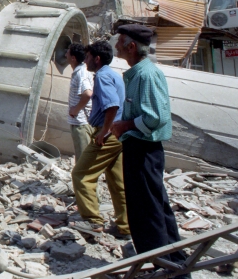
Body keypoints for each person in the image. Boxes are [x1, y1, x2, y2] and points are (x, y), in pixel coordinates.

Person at [111, 24, 190, 278]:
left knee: (148, 210)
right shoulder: (136, 73)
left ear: (131, 46)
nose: (116, 45)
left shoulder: (146, 75)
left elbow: (156, 117)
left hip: (144, 149)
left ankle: (163, 265)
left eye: (120, 41)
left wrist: (125, 125)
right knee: (152, 206)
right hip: (137, 147)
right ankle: (172, 263)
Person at [71, 40, 130, 239]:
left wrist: (103, 132)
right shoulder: (114, 75)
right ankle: (125, 226)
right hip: (118, 134)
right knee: (117, 182)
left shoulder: (103, 77)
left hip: (108, 134)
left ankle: (92, 221)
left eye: (87, 57)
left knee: (81, 174)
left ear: (97, 58)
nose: (85, 61)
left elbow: (112, 106)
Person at [65, 43, 94, 161]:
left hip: (81, 122)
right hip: (79, 121)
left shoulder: (81, 73)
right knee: (81, 158)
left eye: (68, 52)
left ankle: (84, 179)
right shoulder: (80, 71)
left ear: (73, 58)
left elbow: (87, 93)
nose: (65, 54)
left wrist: (75, 110)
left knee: (83, 160)